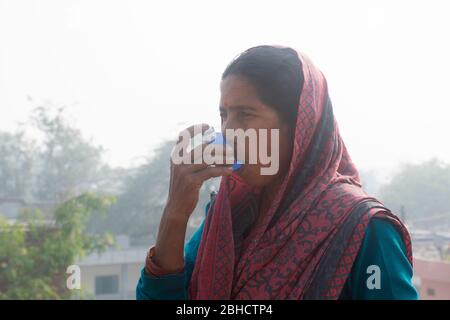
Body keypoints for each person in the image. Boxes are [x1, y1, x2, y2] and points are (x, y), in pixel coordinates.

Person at [136, 45, 419, 300]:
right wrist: (175, 213)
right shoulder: (227, 214)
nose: (228, 133)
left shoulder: (366, 229)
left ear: (300, 127)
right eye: (224, 115)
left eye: (245, 115)